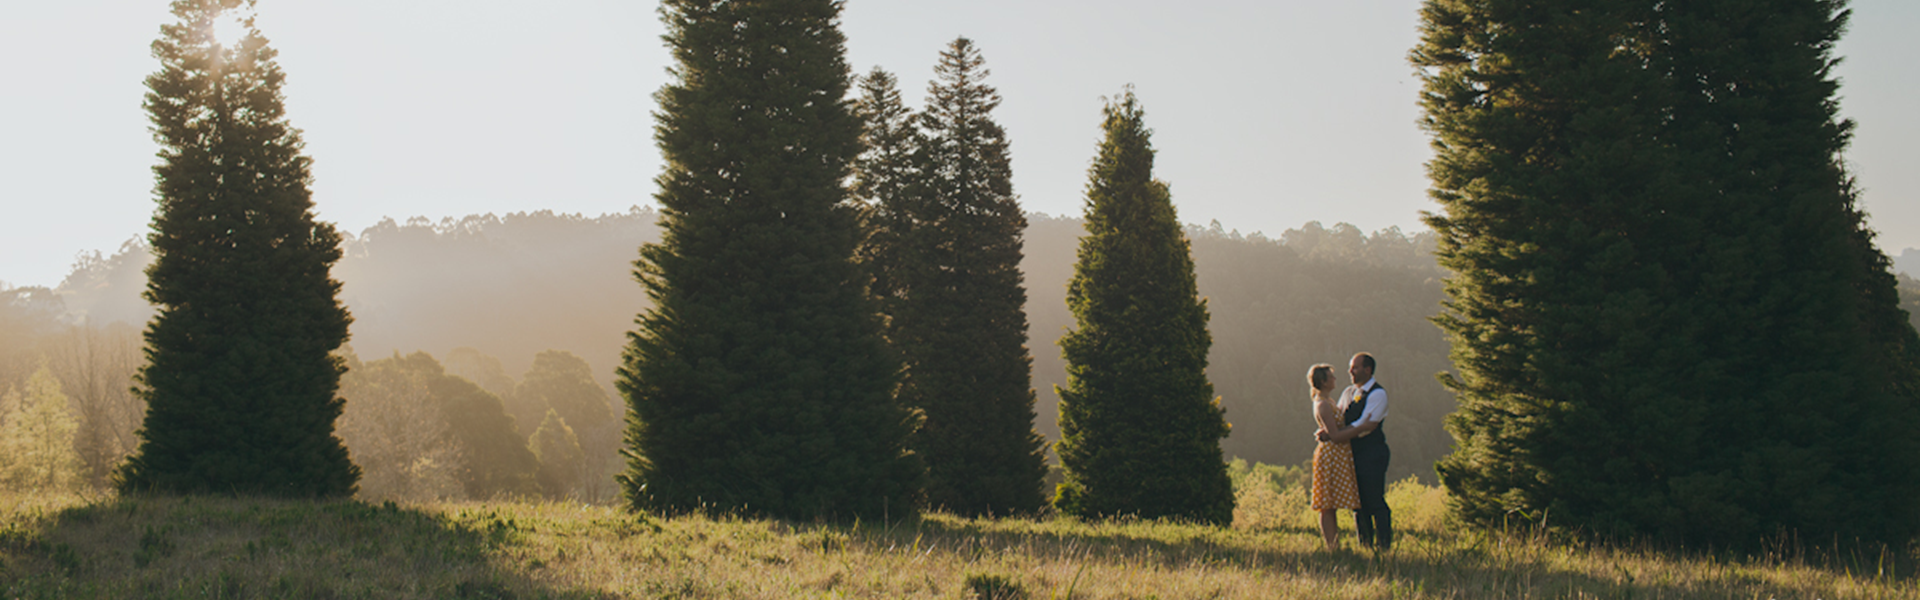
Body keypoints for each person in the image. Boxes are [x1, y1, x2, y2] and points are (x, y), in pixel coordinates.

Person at [1317, 352, 1392, 550]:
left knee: (1374, 499)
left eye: (1355, 367)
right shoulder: (1349, 392)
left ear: (1368, 370)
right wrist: (1329, 432)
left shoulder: (1378, 394)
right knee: (1358, 503)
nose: (1350, 371)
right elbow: (1341, 418)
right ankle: (1365, 545)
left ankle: (1384, 545)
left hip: (1372, 453)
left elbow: (1366, 425)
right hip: (1350, 455)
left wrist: (1335, 434)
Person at [1306, 363, 1359, 550]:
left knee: (1331, 502)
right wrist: (1361, 428)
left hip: (1336, 455)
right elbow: (1335, 435)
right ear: (1323, 381)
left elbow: (1331, 433)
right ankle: (1332, 546)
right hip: (1330, 456)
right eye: (1331, 377)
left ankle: (1334, 545)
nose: (1335, 379)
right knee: (1327, 504)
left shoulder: (1328, 401)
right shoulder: (1322, 404)